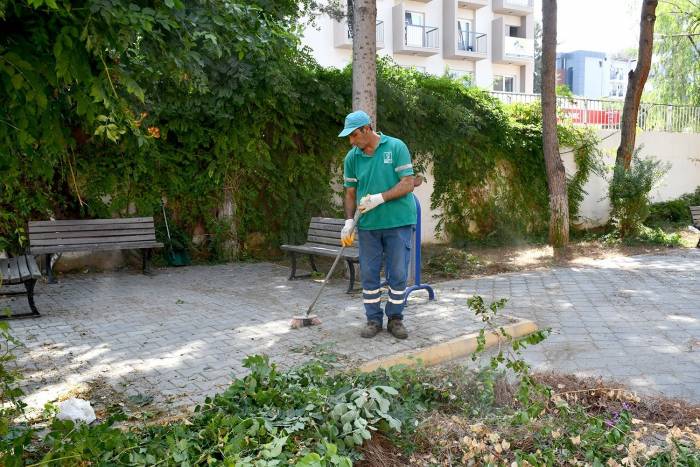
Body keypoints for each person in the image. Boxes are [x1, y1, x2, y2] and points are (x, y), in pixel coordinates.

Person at [338, 110, 417, 339]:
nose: (352, 142)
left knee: (399, 274)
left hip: (398, 222)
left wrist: (379, 198)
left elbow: (408, 183)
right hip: (369, 226)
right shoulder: (352, 158)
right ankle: (373, 319)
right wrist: (349, 222)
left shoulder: (396, 147)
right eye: (349, 138)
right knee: (370, 274)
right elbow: (350, 193)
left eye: (354, 136)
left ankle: (395, 319)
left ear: (367, 129)